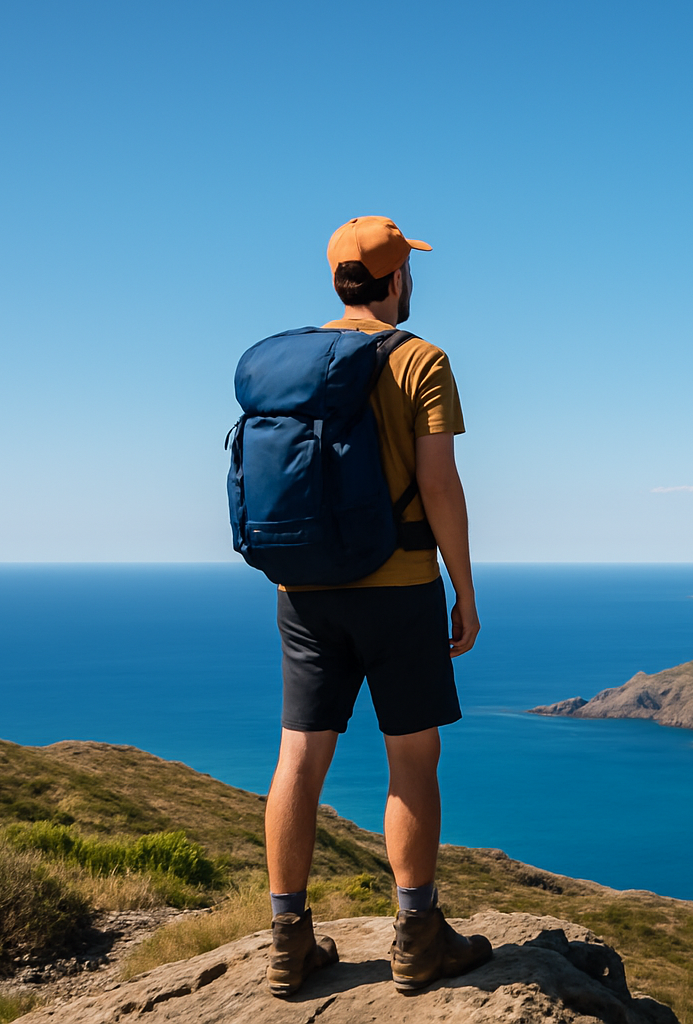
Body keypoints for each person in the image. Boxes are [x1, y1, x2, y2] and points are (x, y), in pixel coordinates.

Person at [261, 215, 491, 998]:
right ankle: (417, 937)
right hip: (398, 587)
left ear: (337, 281)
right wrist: (463, 587)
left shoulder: (290, 362)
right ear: (396, 281)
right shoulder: (421, 359)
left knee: (298, 758)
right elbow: (439, 485)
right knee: (412, 758)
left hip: (304, 591)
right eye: (409, 272)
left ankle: (288, 941)